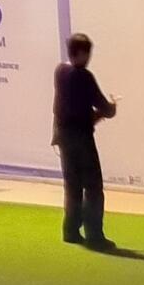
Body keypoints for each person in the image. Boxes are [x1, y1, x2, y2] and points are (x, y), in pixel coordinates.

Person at [52, 32, 117, 248]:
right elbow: (104, 108)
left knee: (72, 185)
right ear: (81, 53)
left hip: (64, 136)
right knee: (93, 187)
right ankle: (94, 234)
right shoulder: (84, 77)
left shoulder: (60, 71)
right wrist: (112, 107)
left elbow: (69, 106)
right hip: (81, 138)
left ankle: (70, 230)